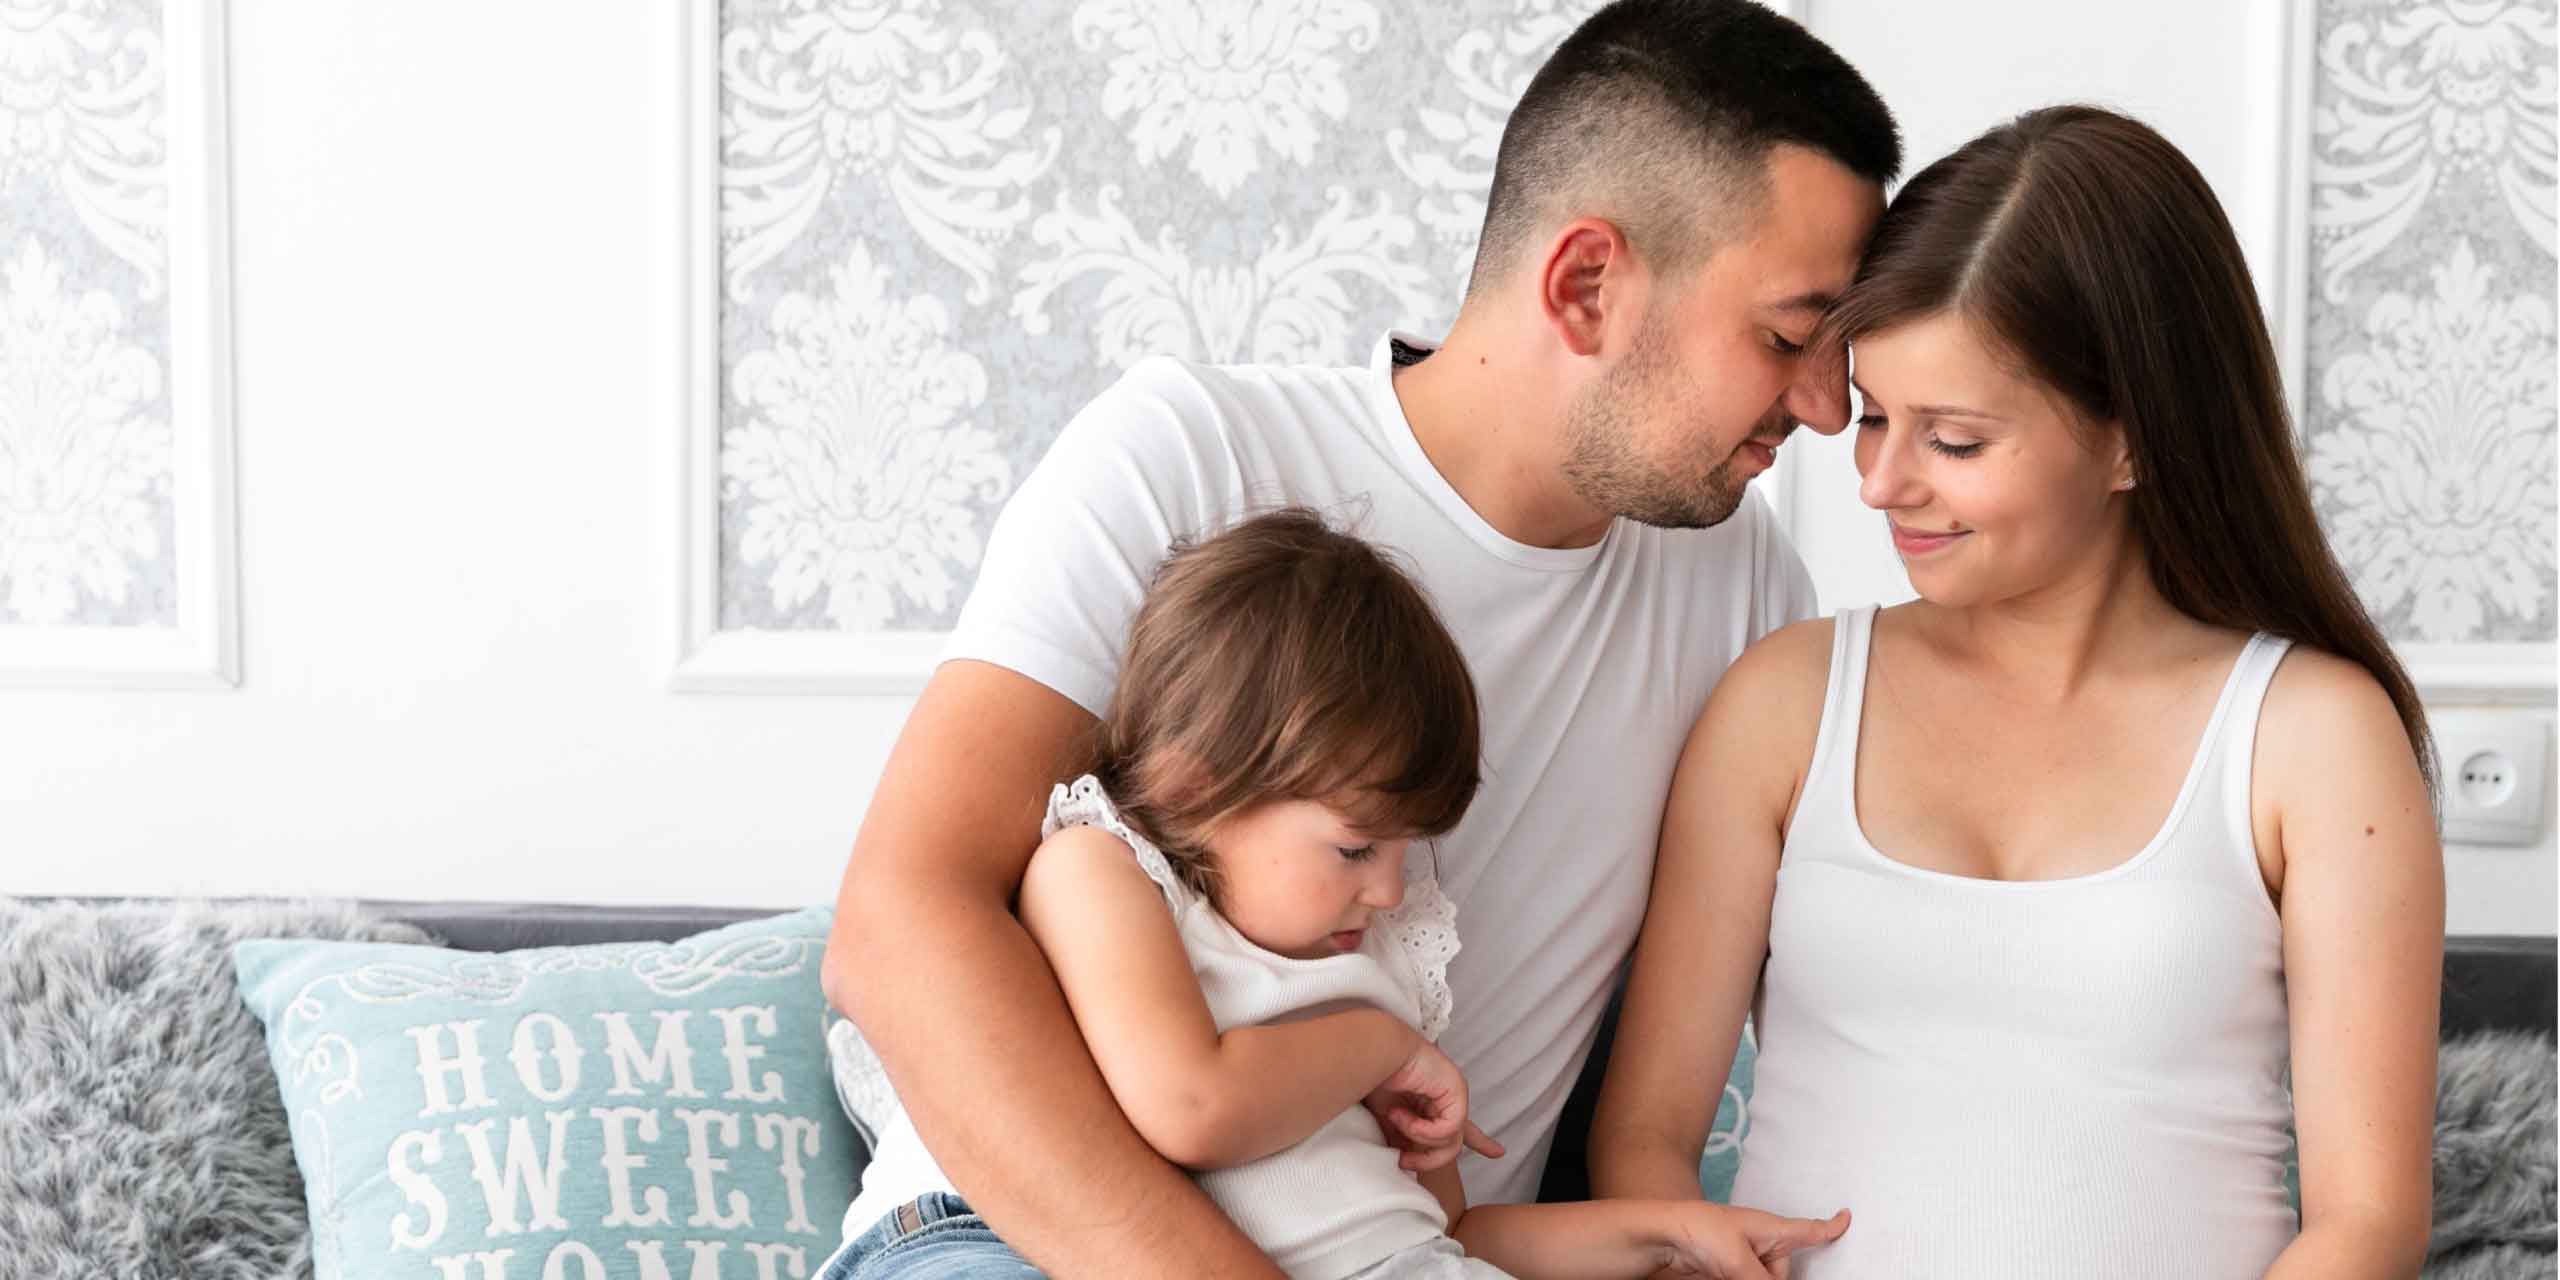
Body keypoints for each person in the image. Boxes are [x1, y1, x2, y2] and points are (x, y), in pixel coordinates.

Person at [821, 0, 1901, 1274]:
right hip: (1021, 1240)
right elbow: (901, 926)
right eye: (1787, 336)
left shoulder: (1744, 592)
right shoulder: (1188, 456)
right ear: (1585, 285)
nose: (1826, 408)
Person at [1589, 104, 2445, 1278]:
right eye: (1874, 416)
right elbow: (1643, 1143)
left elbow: (2368, 1218)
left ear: (2131, 440)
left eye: (1952, 440)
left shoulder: (2312, 735)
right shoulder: (1784, 702)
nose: (1879, 482)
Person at [829, 509, 1852, 1280]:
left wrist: (1665, 1229)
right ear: (1194, 785)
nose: (1391, 887)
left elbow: (1448, 1231)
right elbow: (1192, 1106)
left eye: (1405, 847)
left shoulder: (1385, 960)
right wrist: (1381, 1048)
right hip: (1005, 1244)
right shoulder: (1105, 868)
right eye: (1356, 846)